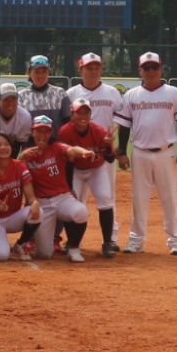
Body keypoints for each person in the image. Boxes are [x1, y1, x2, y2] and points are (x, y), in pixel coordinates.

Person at [113, 51, 177, 255]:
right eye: (146, 68)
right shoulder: (131, 95)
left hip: (166, 152)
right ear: (140, 70)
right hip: (140, 153)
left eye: (154, 67)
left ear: (161, 69)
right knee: (139, 199)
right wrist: (122, 152)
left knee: (169, 198)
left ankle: (176, 241)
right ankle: (136, 240)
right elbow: (124, 126)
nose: (150, 71)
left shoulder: (173, 93)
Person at [19, 115, 95, 262]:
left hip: (62, 198)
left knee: (80, 212)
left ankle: (73, 248)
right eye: (38, 131)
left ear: (51, 133)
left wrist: (84, 152)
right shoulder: (27, 154)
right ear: (32, 132)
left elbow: (72, 150)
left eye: (46, 131)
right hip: (42, 203)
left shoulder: (57, 148)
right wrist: (22, 156)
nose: (42, 135)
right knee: (45, 254)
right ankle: (32, 241)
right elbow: (16, 172)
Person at [66, 52, 125, 239]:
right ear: (80, 69)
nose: (93, 71)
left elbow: (122, 122)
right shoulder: (71, 94)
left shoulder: (112, 93)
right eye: (88, 68)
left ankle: (112, 238)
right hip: (78, 157)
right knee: (76, 198)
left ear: (101, 69)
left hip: (104, 153)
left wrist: (117, 147)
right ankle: (75, 240)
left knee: (108, 197)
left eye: (96, 67)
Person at [57, 98, 119, 257]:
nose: (83, 116)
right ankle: (72, 242)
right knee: (71, 204)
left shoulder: (99, 131)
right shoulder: (65, 132)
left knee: (105, 199)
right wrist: (69, 187)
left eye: (86, 112)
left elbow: (110, 159)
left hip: (96, 170)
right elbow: (67, 162)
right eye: (79, 113)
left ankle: (108, 242)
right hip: (76, 170)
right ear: (72, 114)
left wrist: (107, 146)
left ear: (91, 114)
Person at [0, 132, 39, 262]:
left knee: (39, 212)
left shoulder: (19, 166)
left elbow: (31, 197)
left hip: (14, 217)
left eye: (6, 144)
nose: (3, 148)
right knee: (1, 256)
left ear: (11, 147)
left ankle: (20, 244)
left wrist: (34, 203)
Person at [18, 54, 71, 137]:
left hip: (56, 145)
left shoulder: (60, 93)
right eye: (37, 72)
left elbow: (68, 122)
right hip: (31, 146)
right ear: (29, 73)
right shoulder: (21, 96)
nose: (40, 75)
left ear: (48, 72)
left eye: (44, 72)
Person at [0, 83, 32, 157]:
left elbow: (22, 146)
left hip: (14, 152)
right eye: (6, 99)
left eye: (13, 98)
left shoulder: (25, 117)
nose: (10, 103)